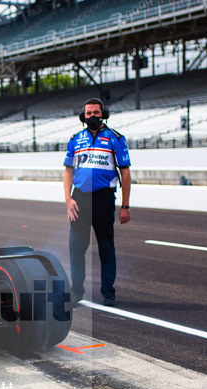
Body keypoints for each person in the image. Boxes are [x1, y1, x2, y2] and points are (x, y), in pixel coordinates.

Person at [64, 97, 131, 306]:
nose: (92, 116)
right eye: (89, 113)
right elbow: (68, 170)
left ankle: (108, 292)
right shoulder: (75, 139)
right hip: (79, 199)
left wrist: (125, 206)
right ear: (82, 115)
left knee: (106, 247)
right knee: (76, 248)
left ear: (105, 114)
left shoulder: (116, 138)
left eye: (96, 112)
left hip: (104, 199)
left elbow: (125, 172)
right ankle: (76, 291)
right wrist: (68, 199)